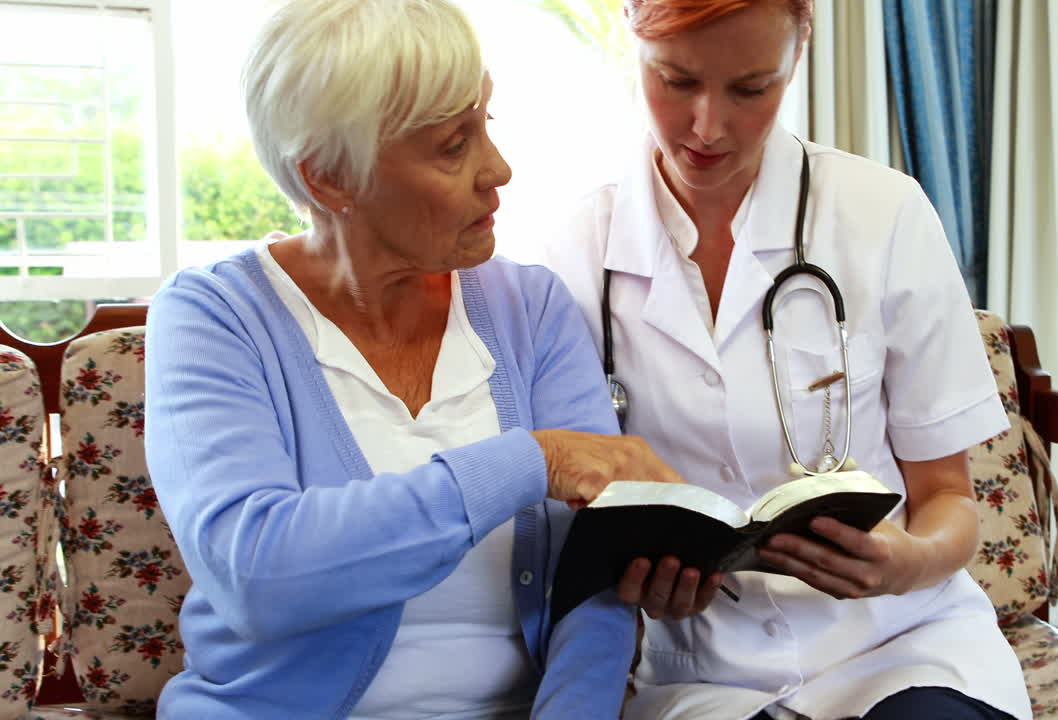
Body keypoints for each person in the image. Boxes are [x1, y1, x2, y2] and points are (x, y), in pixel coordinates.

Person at [143, 1, 680, 717]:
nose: (498, 169)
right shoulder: (213, 317)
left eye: (486, 123)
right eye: (453, 146)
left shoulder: (534, 309)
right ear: (330, 179)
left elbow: (596, 572)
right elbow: (258, 573)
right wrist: (530, 461)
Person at [545, 1, 1034, 719]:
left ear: (797, 53)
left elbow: (949, 501)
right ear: (633, 43)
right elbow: (574, 515)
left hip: (901, 650)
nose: (708, 126)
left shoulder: (883, 215)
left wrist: (907, 565)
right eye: (676, 81)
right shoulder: (579, 250)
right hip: (703, 677)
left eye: (750, 88)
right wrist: (636, 581)